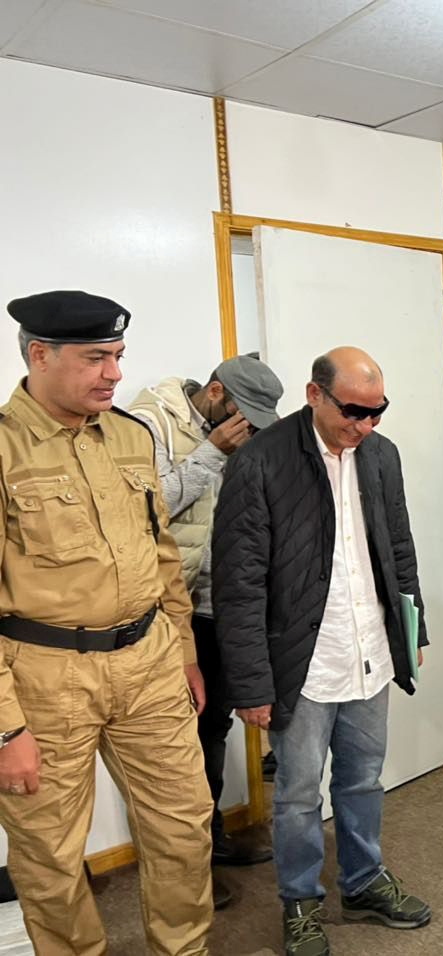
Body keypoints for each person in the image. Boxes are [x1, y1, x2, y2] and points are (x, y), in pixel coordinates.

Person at [0, 290, 213, 952]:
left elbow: (162, 553)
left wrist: (183, 653)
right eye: (96, 358)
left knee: (184, 826)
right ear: (40, 355)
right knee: (51, 857)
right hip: (45, 679)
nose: (115, 373)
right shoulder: (4, 448)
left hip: (149, 661)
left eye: (118, 355)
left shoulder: (127, 435)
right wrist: (5, 728)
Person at [213, 347, 429, 956]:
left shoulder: (381, 455)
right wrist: (251, 683)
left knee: (363, 780)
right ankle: (300, 902)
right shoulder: (261, 461)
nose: (366, 425)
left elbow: (400, 548)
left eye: (377, 412)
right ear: (315, 395)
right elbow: (238, 583)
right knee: (298, 793)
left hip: (370, 649)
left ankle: (363, 882)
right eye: (354, 411)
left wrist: (412, 631)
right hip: (301, 658)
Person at [130, 353, 283, 908]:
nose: (248, 429)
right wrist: (212, 452)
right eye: (244, 415)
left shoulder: (238, 435)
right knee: (175, 743)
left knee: (212, 728)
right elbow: (145, 508)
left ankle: (210, 841)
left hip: (218, 604)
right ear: (216, 393)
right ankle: (185, 868)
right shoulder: (148, 421)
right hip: (167, 610)